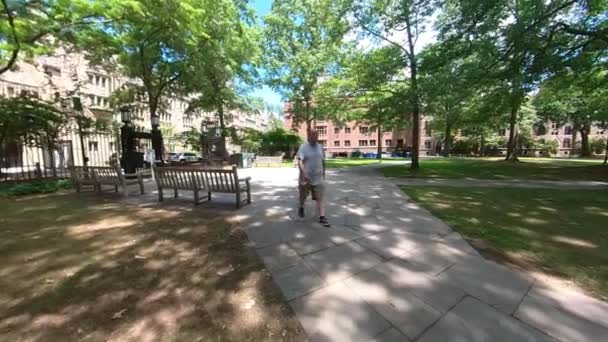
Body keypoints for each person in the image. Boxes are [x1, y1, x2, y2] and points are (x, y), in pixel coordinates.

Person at [297, 129, 330, 227]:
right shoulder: (303, 147)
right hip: (305, 178)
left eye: (317, 136)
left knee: (320, 198)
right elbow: (300, 162)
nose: (316, 138)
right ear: (309, 136)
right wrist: (304, 174)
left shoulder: (320, 147)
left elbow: (323, 161)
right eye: (314, 136)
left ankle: (322, 217)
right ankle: (301, 207)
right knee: (303, 196)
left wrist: (324, 172)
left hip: (318, 178)